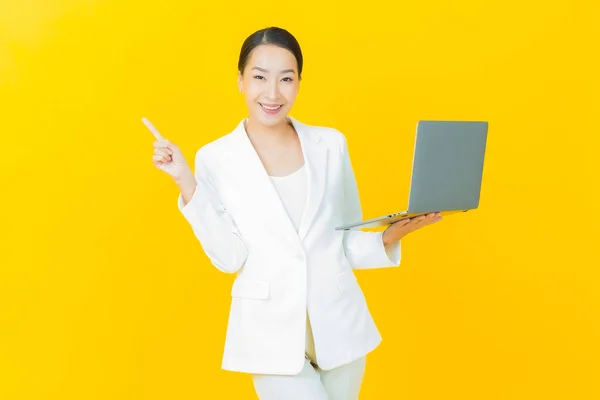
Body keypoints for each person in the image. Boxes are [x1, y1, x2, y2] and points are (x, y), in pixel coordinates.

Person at [144, 26, 441, 400]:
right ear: (240, 80)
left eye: (286, 79)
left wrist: (390, 235)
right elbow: (228, 257)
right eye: (259, 78)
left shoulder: (330, 144)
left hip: (340, 328)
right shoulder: (215, 158)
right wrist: (186, 182)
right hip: (269, 335)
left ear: (299, 83)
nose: (272, 93)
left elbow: (344, 239)